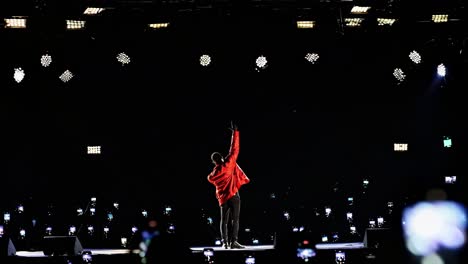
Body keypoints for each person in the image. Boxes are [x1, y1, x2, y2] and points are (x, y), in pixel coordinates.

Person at [207, 121, 250, 249]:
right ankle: (234, 242)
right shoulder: (228, 164)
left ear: (214, 162)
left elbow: (209, 178)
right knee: (235, 220)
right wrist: (235, 133)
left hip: (223, 199)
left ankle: (224, 243)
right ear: (221, 158)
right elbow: (234, 149)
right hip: (233, 195)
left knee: (223, 221)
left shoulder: (213, 175)